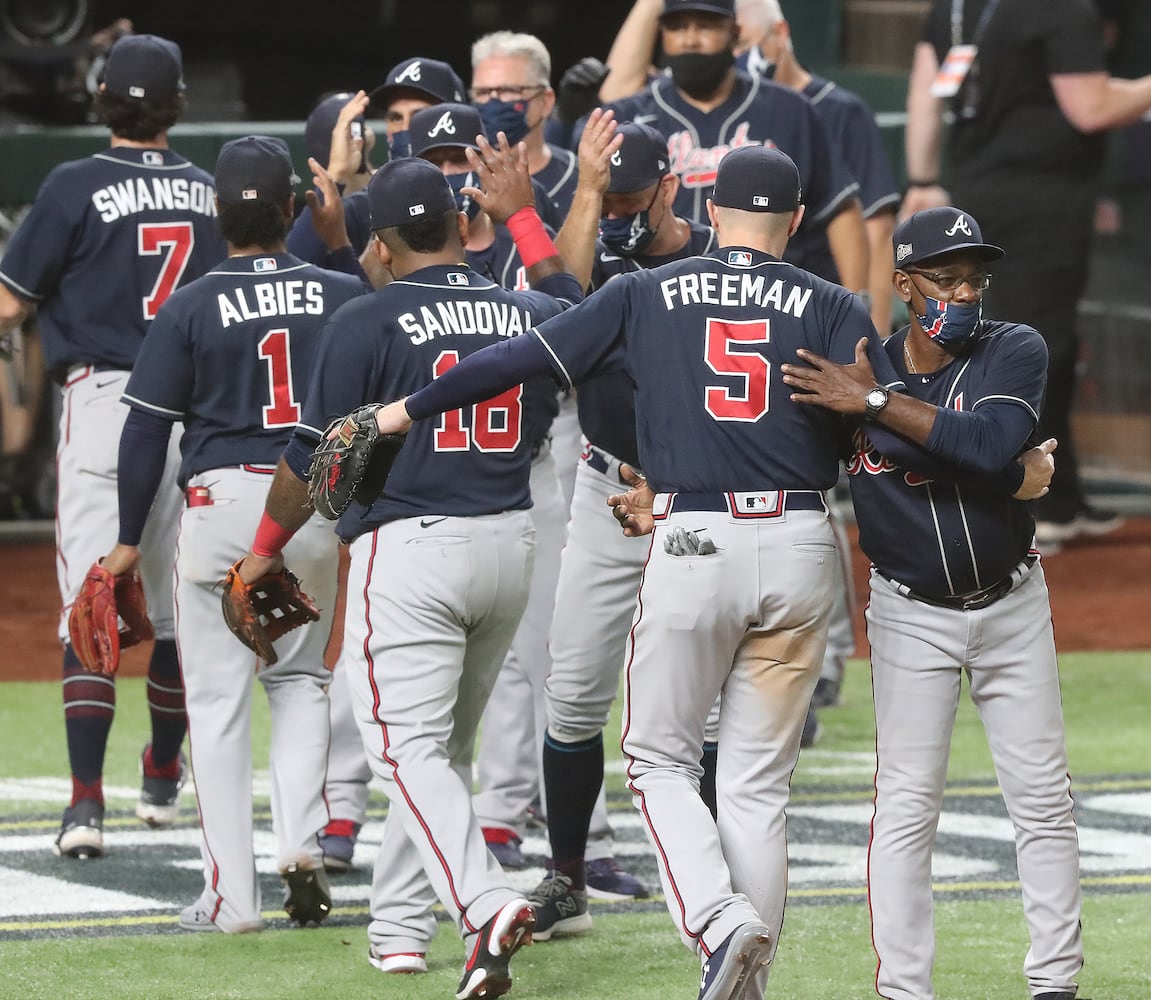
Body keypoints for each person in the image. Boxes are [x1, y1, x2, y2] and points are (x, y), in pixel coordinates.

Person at [367, 144, 903, 1000]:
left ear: (708, 207)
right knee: (755, 785)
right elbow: (887, 422)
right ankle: (745, 983)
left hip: (693, 538)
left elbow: (517, 359)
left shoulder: (645, 292)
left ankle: (717, 923)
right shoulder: (831, 302)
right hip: (803, 544)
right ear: (797, 222)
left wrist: (398, 411)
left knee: (656, 759)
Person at [231, 147, 582, 994]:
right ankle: (397, 928)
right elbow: (582, 307)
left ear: (381, 245)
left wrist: (264, 549)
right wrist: (526, 217)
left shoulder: (368, 316)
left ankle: (483, 902)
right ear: (464, 227)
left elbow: (309, 462)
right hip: (511, 543)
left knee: (402, 752)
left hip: (416, 551)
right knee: (440, 752)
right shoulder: (526, 306)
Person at [776, 205, 1082, 1000]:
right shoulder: (855, 364)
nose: (963, 294)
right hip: (909, 613)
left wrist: (874, 409)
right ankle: (903, 991)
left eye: (974, 280)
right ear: (904, 283)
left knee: (1042, 800)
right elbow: (784, 465)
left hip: (1011, 602)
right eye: (944, 279)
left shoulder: (1013, 347)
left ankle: (1055, 984)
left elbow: (983, 444)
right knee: (906, 810)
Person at [96, 136, 363, 931]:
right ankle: (300, 845)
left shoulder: (188, 303)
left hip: (217, 509)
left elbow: (145, 433)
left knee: (215, 704)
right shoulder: (341, 291)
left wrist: (125, 539)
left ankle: (230, 898)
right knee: (299, 683)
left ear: (217, 214)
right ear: (293, 209)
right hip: (306, 505)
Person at [0, 33, 225, 859]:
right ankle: (163, 775)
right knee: (172, 614)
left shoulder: (72, 184)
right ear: (175, 107)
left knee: (93, 604)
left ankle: (86, 807)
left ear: (102, 103)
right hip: (196, 411)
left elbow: (7, 305)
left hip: (104, 404)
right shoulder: (208, 189)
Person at [518, 114, 717, 938]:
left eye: (635, 194)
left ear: (668, 186)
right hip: (605, 490)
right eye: (613, 195)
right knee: (570, 694)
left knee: (702, 713)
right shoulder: (592, 247)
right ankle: (566, 878)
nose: (625, 210)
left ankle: (715, 881)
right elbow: (551, 295)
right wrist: (589, 195)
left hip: (698, 495)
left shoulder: (715, 254)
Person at [902, 0, 1151, 547]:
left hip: (978, 198)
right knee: (1034, 350)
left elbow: (925, 94)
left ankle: (1061, 496)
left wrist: (922, 176)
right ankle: (1024, 501)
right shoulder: (1063, 11)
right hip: (1043, 204)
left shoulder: (954, 8)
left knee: (1034, 345)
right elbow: (1091, 107)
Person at [591, 0, 869, 298]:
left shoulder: (790, 109)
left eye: (705, 26)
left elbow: (840, 212)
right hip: (658, 294)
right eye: (678, 27)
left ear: (734, 32)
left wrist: (855, 305)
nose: (690, 39)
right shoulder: (635, 112)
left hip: (771, 297)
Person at [471, 31, 580, 219]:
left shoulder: (581, 180)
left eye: (508, 90)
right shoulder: (458, 179)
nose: (493, 101)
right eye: (482, 92)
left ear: (545, 101)